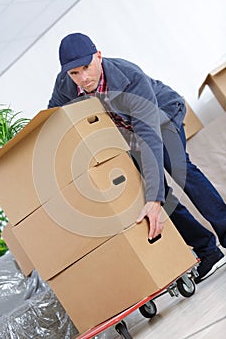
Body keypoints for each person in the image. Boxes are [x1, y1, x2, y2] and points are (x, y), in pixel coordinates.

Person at [47, 32, 226, 283]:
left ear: (98, 56)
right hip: (127, 132)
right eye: (74, 73)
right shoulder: (66, 83)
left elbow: (150, 137)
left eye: (86, 67)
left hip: (161, 116)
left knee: (177, 167)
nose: (83, 78)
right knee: (150, 191)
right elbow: (53, 117)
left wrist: (156, 198)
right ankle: (208, 250)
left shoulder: (129, 77)